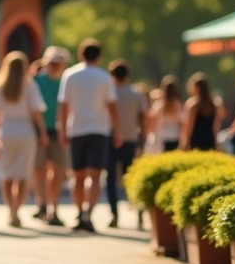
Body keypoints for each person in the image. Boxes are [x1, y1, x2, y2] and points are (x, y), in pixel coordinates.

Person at [57, 39, 120, 233]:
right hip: (99, 130)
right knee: (95, 175)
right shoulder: (104, 77)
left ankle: (79, 211)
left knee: (77, 175)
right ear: (99, 56)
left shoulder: (70, 75)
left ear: (80, 54)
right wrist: (118, 130)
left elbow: (64, 105)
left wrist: (62, 129)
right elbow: (111, 107)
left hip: (76, 129)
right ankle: (88, 213)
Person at [0, 51, 48, 229]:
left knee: (6, 174)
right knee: (22, 174)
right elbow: (36, 113)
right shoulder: (29, 85)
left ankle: (10, 210)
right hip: (25, 132)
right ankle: (17, 211)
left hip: (6, 131)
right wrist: (43, 133)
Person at [33, 46, 71, 226]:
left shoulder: (66, 81)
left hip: (60, 131)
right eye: (52, 62)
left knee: (58, 171)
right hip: (39, 130)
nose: (55, 66)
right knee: (39, 170)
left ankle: (52, 208)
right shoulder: (36, 81)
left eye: (59, 63)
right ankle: (41, 204)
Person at [106, 59, 145, 229]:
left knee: (111, 178)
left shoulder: (108, 93)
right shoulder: (136, 94)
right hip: (130, 138)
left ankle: (114, 213)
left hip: (109, 138)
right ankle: (138, 211)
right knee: (130, 177)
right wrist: (142, 138)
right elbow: (143, 117)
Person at [182, 73, 223, 152]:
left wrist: (185, 141)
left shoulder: (193, 104)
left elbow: (189, 125)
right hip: (209, 138)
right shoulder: (214, 104)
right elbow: (217, 124)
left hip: (196, 139)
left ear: (197, 87)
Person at [147, 76, 184, 154]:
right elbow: (182, 123)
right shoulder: (178, 105)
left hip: (162, 137)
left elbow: (153, 123)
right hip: (176, 136)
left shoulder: (159, 105)